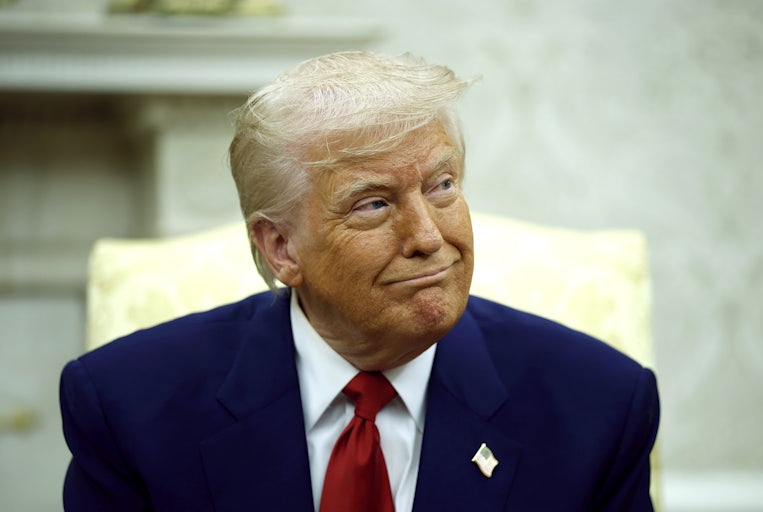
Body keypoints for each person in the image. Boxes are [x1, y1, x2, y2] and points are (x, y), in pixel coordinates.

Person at [59, 51, 660, 511]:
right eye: (373, 204)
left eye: (442, 185)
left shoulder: (598, 408)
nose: (428, 236)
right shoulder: (128, 408)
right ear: (280, 247)